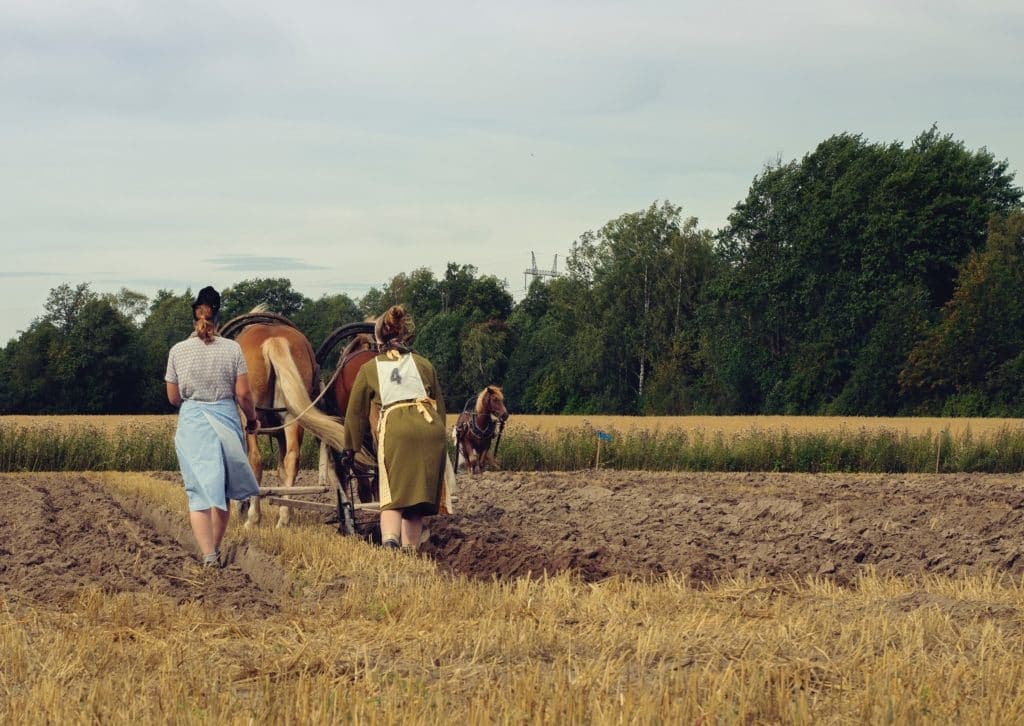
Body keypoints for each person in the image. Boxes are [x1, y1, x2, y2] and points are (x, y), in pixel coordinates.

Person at [341, 305, 454, 551]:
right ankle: (410, 551)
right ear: (404, 336)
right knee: (415, 500)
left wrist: (350, 448)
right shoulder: (424, 364)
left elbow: (356, 413)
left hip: (397, 429)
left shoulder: (370, 368)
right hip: (430, 428)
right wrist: (439, 441)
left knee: (392, 497)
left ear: (378, 340)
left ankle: (390, 542)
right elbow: (440, 408)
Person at [165, 286, 261, 567]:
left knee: (198, 493)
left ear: (194, 316)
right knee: (223, 491)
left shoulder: (178, 351)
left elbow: (173, 398)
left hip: (193, 423)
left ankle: (207, 555)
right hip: (226, 421)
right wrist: (252, 420)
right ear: (218, 317)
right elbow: (243, 394)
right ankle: (216, 550)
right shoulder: (232, 349)